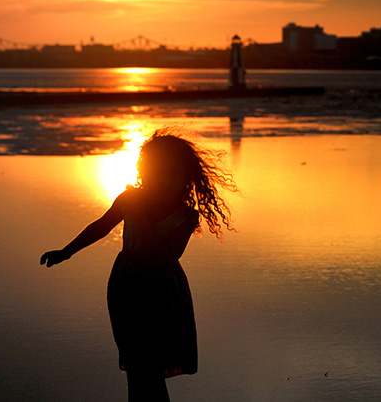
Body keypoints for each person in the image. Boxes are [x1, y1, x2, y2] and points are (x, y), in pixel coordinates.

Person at [41, 130, 236, 402]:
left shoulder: (185, 216)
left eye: (174, 173)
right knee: (135, 363)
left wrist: (142, 219)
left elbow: (166, 258)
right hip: (126, 286)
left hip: (162, 292)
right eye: (159, 172)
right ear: (144, 172)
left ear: (187, 177)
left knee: (152, 365)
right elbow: (101, 226)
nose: (166, 180)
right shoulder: (128, 199)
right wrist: (67, 251)